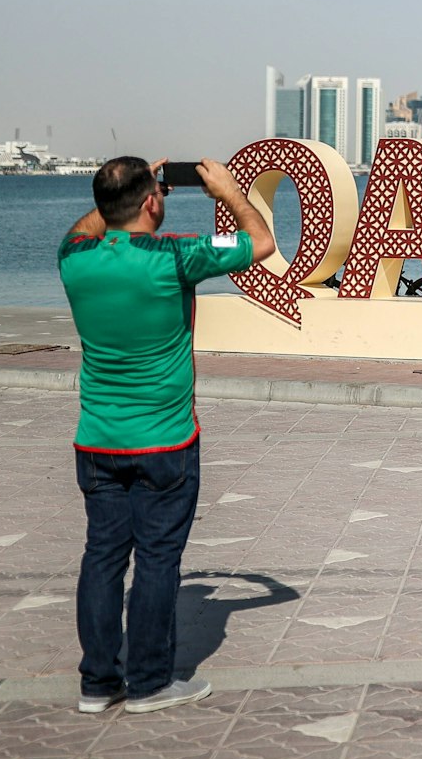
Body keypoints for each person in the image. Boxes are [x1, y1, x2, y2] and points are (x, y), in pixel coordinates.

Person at [58, 157, 275, 715]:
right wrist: (229, 192)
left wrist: (124, 194)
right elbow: (261, 242)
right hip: (165, 442)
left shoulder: (74, 257)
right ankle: (150, 684)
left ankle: (97, 684)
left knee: (102, 557)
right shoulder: (177, 255)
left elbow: (90, 225)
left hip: (97, 441)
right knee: (157, 560)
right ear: (154, 201)